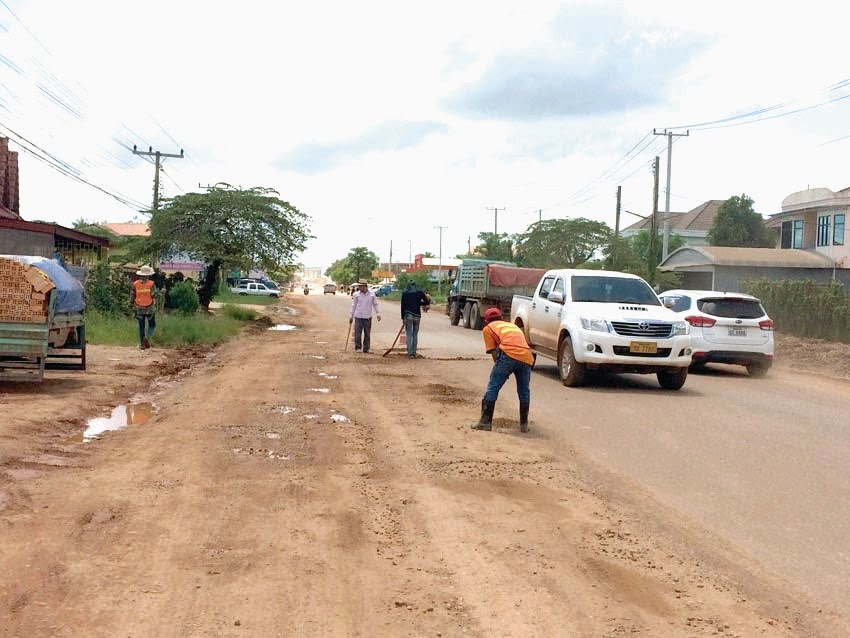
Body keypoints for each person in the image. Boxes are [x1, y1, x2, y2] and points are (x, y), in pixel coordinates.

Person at [472, 307, 533, 433]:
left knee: (493, 386)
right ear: (501, 318)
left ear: (486, 320)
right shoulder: (512, 326)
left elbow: (494, 352)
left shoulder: (488, 328)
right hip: (527, 357)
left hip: (508, 356)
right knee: (524, 391)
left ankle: (485, 422)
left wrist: (501, 370)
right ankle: (524, 425)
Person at [349, 278, 381, 353]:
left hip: (367, 317)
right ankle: (358, 347)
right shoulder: (356, 294)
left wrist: (378, 313)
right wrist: (351, 315)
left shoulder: (372, 294)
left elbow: (375, 304)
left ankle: (366, 348)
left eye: (360, 286)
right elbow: (354, 305)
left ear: (365, 286)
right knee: (357, 333)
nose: (359, 288)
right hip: (358, 316)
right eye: (359, 286)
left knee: (367, 333)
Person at [400, 281, 430, 359]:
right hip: (417, 316)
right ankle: (414, 352)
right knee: (415, 334)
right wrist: (418, 303)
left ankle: (410, 353)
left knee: (409, 334)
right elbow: (426, 302)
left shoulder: (405, 294)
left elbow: (402, 306)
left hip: (408, 315)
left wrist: (403, 317)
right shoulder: (420, 293)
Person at [130, 265, 157, 350]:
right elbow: (153, 295)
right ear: (148, 275)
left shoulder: (135, 284)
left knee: (141, 326)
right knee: (152, 325)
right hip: (150, 308)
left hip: (139, 308)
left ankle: (142, 344)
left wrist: (131, 305)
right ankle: (147, 337)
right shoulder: (151, 284)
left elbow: (132, 296)